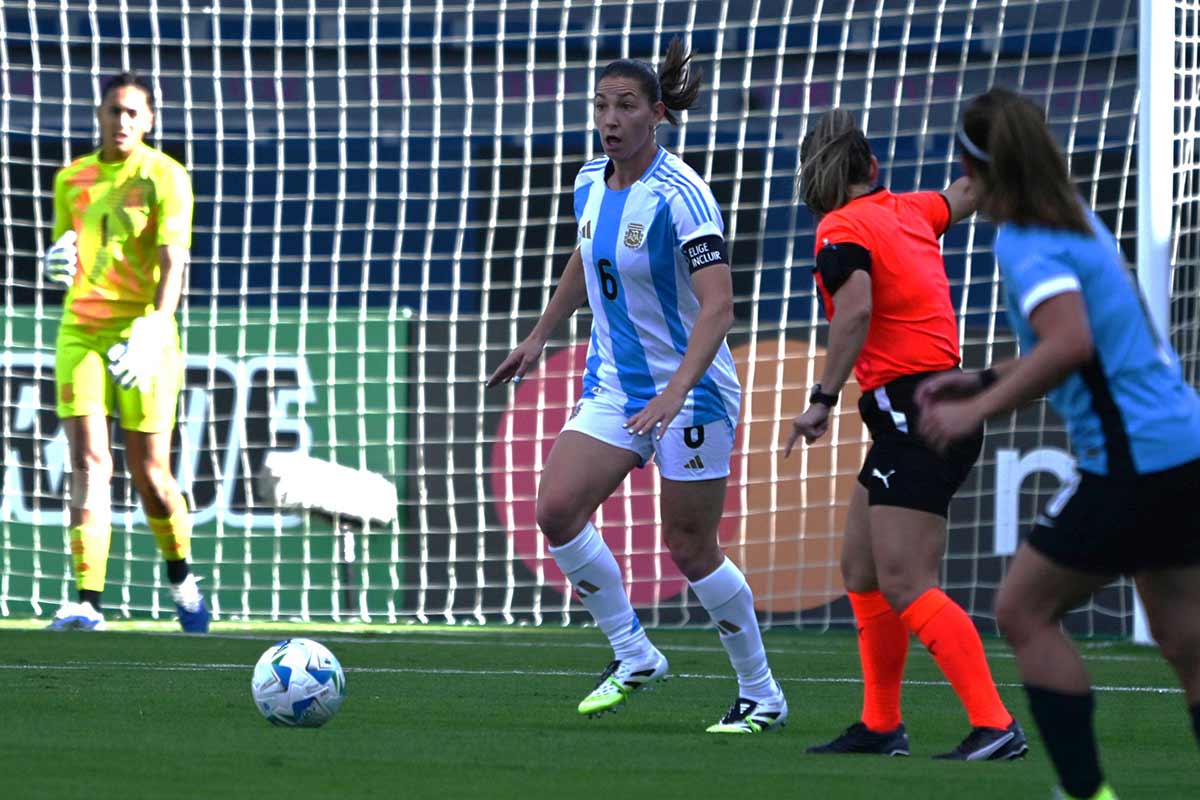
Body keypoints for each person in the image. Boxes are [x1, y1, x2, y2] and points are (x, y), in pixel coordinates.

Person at [487, 39, 786, 733]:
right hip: (617, 386)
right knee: (556, 509)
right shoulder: (590, 180)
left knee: (690, 546)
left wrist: (677, 391)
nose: (609, 119)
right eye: (601, 105)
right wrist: (539, 334)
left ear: (657, 114)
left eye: (625, 106)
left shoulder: (683, 195)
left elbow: (719, 307)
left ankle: (761, 693)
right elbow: (586, 254)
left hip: (692, 391)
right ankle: (633, 652)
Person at [920, 87, 1200, 800]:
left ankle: (1083, 792)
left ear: (971, 168)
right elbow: (1075, 340)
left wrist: (976, 409)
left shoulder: (1024, 239)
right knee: (1186, 641)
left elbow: (1069, 343)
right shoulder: (1075, 218)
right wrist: (983, 376)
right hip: (1182, 443)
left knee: (1023, 610)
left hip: (1133, 459)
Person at [786, 108, 1026, 759]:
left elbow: (855, 312)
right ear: (872, 166)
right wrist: (1006, 143)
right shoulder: (910, 210)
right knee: (861, 569)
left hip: (914, 412)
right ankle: (881, 725)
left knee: (905, 581)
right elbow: (967, 191)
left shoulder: (839, 230)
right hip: (926, 407)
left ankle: (996, 724)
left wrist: (821, 399)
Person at [42, 71, 209, 633]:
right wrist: (52, 262)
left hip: (144, 333)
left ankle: (182, 578)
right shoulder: (71, 179)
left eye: (133, 112)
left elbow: (173, 260)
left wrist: (155, 327)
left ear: (150, 120)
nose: (123, 120)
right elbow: (65, 247)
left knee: (152, 475)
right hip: (82, 330)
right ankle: (87, 600)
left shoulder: (165, 176)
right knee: (89, 462)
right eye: (114, 110)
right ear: (99, 114)